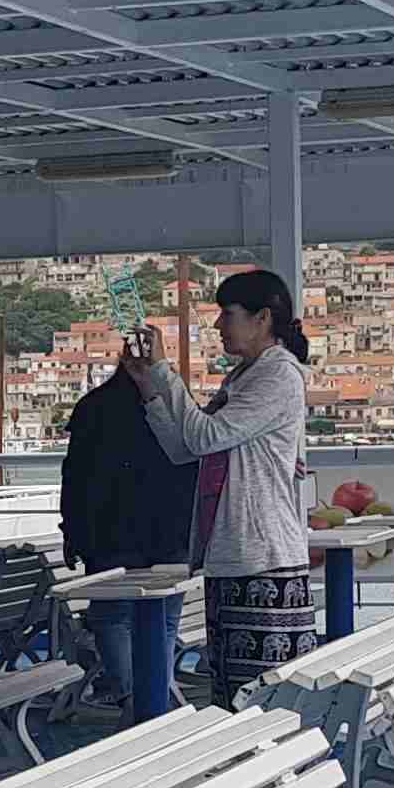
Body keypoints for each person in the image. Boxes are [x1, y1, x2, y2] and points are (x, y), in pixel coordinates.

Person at [127, 269, 314, 706]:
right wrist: (150, 392)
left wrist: (164, 370)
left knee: (261, 702)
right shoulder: (243, 377)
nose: (217, 325)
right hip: (232, 555)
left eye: (227, 314)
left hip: (264, 559)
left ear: (262, 318)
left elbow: (204, 437)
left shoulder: (278, 375)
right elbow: (184, 449)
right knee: (229, 694)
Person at [56, 325, 202, 704]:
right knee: (165, 618)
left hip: (109, 532)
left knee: (111, 616)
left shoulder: (93, 407)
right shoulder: (177, 405)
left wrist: (72, 531)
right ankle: (154, 697)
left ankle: (131, 696)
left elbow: (75, 477)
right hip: (173, 529)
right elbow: (195, 463)